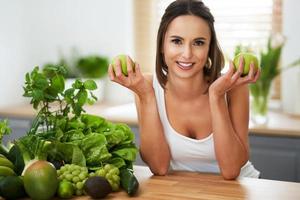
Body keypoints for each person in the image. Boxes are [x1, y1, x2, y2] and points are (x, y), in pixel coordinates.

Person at [108, 0, 260, 180]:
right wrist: (146, 95)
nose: (187, 54)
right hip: (181, 190)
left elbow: (231, 170)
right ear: (162, 46)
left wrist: (216, 96)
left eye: (198, 42)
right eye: (177, 41)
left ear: (209, 48)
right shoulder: (144, 86)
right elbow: (159, 167)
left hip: (237, 191)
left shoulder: (233, 88)